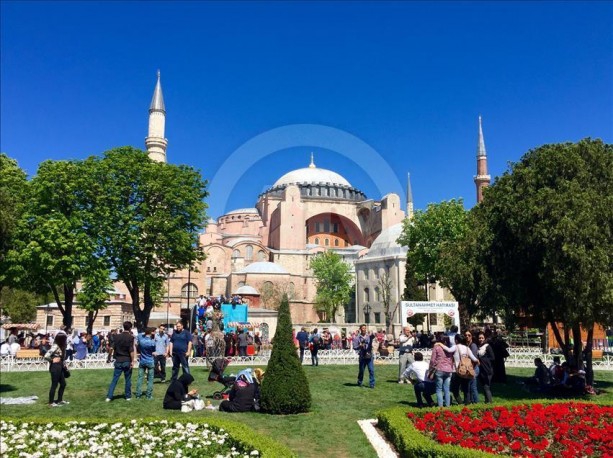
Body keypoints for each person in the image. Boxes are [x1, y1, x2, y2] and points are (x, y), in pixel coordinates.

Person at [106, 321, 135, 402]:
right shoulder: (130, 337)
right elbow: (131, 350)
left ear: (123, 327)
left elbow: (111, 348)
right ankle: (128, 396)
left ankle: (109, 396)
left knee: (114, 379)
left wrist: (109, 357)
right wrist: (133, 361)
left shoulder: (116, 336)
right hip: (127, 360)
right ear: (130, 328)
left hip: (118, 360)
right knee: (128, 379)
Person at [43, 333, 69, 407]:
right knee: (54, 385)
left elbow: (62, 358)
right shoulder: (55, 346)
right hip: (55, 367)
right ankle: (51, 403)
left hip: (60, 367)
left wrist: (64, 364)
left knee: (63, 384)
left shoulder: (62, 346)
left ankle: (60, 400)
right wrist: (52, 360)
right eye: (64, 339)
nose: (66, 340)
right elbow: (46, 356)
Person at [429, 335, 454, 407]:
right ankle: (448, 406)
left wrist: (430, 369)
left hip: (439, 369)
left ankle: (440, 406)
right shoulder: (450, 348)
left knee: (439, 389)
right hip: (449, 370)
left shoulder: (436, 347)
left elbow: (432, 360)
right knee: (447, 389)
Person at [353, 324, 377, 389]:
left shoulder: (369, 337)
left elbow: (374, 335)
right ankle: (360, 381)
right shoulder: (357, 338)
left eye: (365, 328)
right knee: (361, 370)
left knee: (371, 370)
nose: (364, 329)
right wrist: (359, 346)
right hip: (362, 356)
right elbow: (354, 347)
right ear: (360, 329)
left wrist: (373, 332)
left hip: (369, 355)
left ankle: (372, 384)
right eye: (363, 328)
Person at [135, 327, 157, 399]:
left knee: (140, 378)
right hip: (150, 360)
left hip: (142, 360)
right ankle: (149, 395)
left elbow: (137, 339)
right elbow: (153, 350)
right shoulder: (152, 342)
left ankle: (138, 394)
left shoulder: (141, 341)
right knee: (150, 379)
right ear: (150, 333)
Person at [477, 331, 495, 403]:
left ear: (485, 338)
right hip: (481, 369)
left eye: (482, 338)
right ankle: (486, 401)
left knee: (486, 386)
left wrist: (482, 359)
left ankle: (489, 402)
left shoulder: (487, 346)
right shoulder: (479, 346)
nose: (481, 339)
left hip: (487, 369)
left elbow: (492, 357)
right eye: (479, 338)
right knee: (484, 386)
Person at [464, 330, 480, 403]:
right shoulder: (467, 345)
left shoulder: (473, 345)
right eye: (466, 335)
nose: (467, 336)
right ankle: (472, 401)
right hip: (469, 368)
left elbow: (474, 359)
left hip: (473, 368)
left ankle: (477, 403)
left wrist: (471, 370)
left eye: (469, 335)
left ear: (472, 336)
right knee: (469, 387)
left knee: (473, 387)